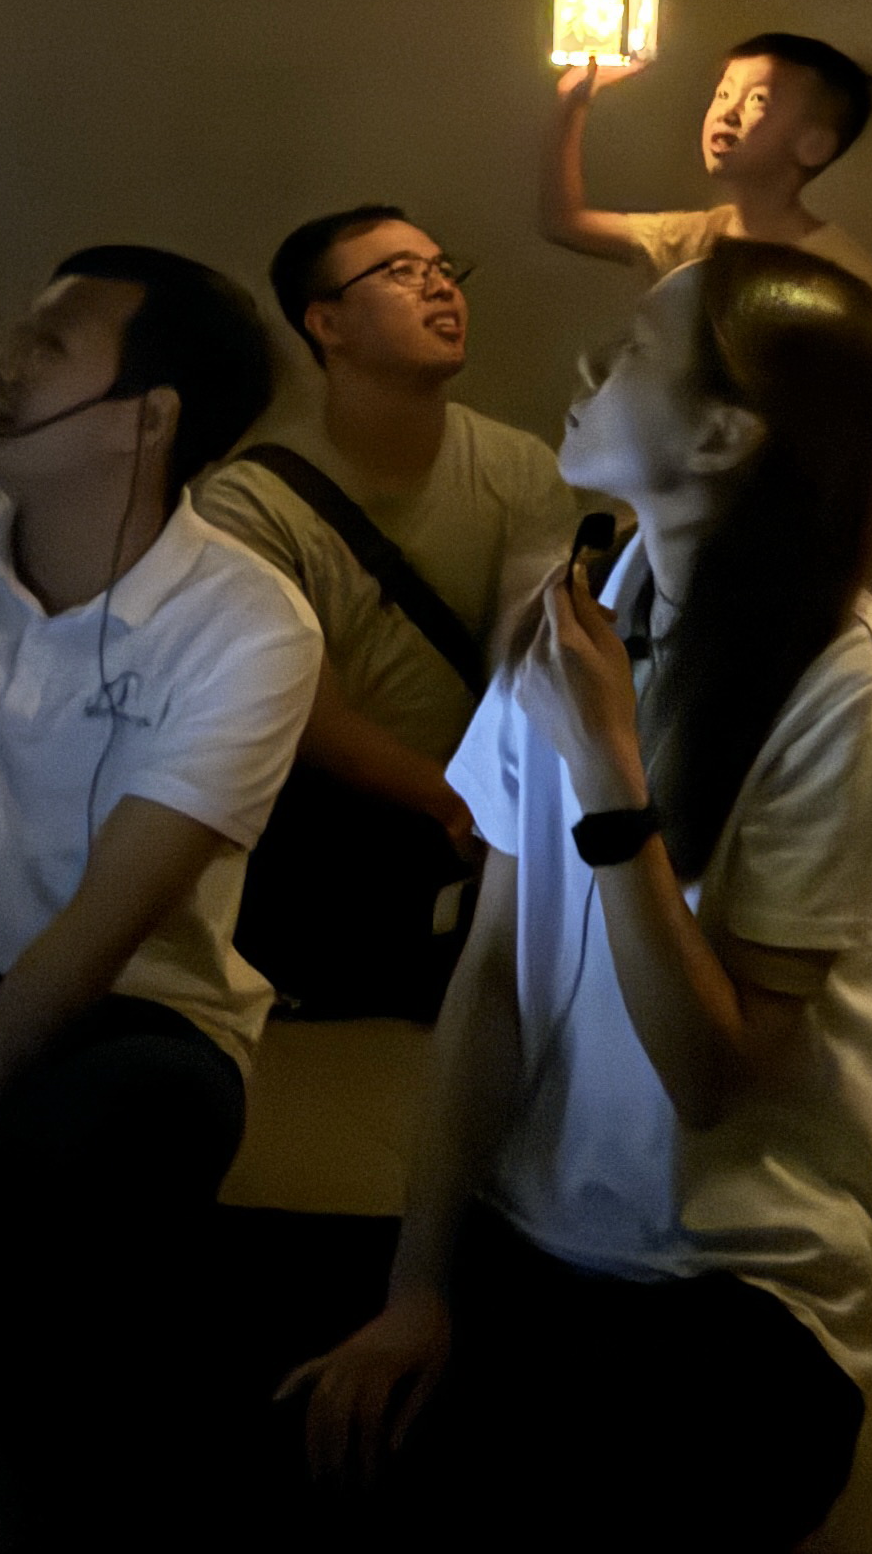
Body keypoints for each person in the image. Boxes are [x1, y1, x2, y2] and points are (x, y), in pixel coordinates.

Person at [279, 246, 872, 1550]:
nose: (589, 365)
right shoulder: (584, 614)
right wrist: (418, 1287)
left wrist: (608, 774)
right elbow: (489, 972)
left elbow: (711, 1072)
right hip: (528, 1233)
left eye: (636, 350)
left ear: (724, 435)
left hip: (733, 1290)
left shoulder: (855, 683)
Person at [0, 246, 318, 1341]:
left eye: (51, 344)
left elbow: (103, 929)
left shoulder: (246, 622)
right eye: (20, 332)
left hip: (127, 1011)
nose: (4, 361)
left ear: (148, 417)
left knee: (132, 1118)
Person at [198, 204, 586, 1019]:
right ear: (327, 323)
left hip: (484, 806)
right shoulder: (252, 500)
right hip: (342, 818)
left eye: (444, 268)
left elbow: (529, 651)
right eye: (402, 273)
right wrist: (451, 801)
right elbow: (304, 713)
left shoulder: (516, 466)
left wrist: (505, 799)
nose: (440, 287)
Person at [542, 27, 872, 291]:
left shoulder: (841, 271)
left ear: (813, 146)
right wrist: (573, 104)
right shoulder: (696, 236)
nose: (728, 111)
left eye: (758, 99)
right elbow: (565, 223)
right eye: (723, 93)